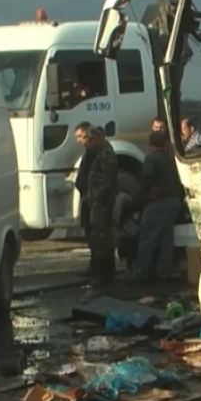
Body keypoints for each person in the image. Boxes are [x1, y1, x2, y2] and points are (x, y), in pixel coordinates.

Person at [126, 130, 184, 282]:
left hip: (158, 202)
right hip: (174, 202)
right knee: (166, 238)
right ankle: (164, 270)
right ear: (165, 144)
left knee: (148, 238)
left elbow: (146, 179)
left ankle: (139, 273)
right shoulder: (171, 160)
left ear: (150, 145)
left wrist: (138, 199)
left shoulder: (151, 160)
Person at [85, 125, 120, 284]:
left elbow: (107, 182)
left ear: (99, 137)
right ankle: (104, 272)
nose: (89, 143)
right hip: (98, 202)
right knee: (99, 237)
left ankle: (103, 274)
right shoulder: (100, 153)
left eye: (91, 139)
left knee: (101, 238)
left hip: (102, 204)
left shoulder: (106, 155)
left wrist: (97, 199)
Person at [73, 122, 98, 276]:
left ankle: (97, 267)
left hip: (91, 199)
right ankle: (94, 265)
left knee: (94, 234)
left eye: (81, 137)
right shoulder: (89, 152)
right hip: (87, 197)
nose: (79, 141)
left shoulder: (93, 153)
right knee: (90, 233)